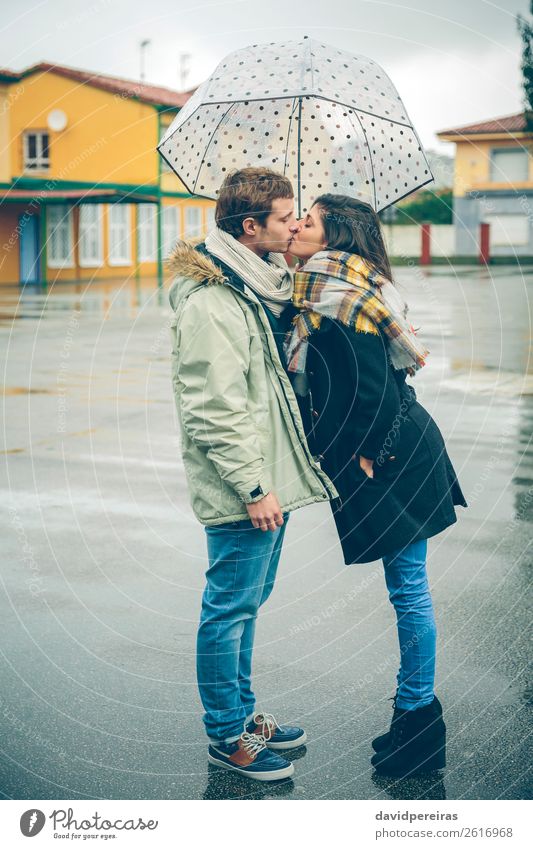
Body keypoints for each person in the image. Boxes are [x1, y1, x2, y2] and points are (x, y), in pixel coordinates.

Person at [285, 194, 467, 778]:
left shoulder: (339, 294)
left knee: (409, 589)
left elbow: (371, 388)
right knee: (406, 588)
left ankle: (417, 724)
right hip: (391, 449)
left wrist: (366, 454)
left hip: (392, 455)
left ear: (335, 234)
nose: (295, 226)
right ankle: (414, 720)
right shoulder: (317, 290)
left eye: (306, 221)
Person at [167, 168, 338, 781]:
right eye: (284, 217)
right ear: (250, 227)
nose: (295, 225)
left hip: (267, 479)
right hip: (247, 487)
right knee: (229, 608)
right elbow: (214, 406)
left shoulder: (258, 287)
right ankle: (226, 738)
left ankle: (242, 715)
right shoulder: (215, 301)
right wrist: (254, 487)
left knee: (247, 603)